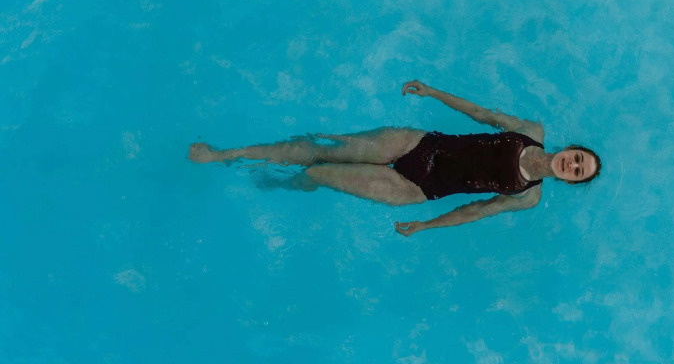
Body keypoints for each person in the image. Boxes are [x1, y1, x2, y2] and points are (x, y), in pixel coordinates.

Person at [189, 80, 600, 236]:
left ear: (571, 180)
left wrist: (426, 225)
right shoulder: (532, 131)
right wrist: (434, 92)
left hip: (416, 188)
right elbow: (480, 114)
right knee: (321, 149)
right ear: (571, 149)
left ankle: (282, 181)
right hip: (417, 145)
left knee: (319, 173)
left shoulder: (529, 196)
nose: (573, 165)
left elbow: (475, 211)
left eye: (578, 172)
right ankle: (226, 154)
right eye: (578, 158)